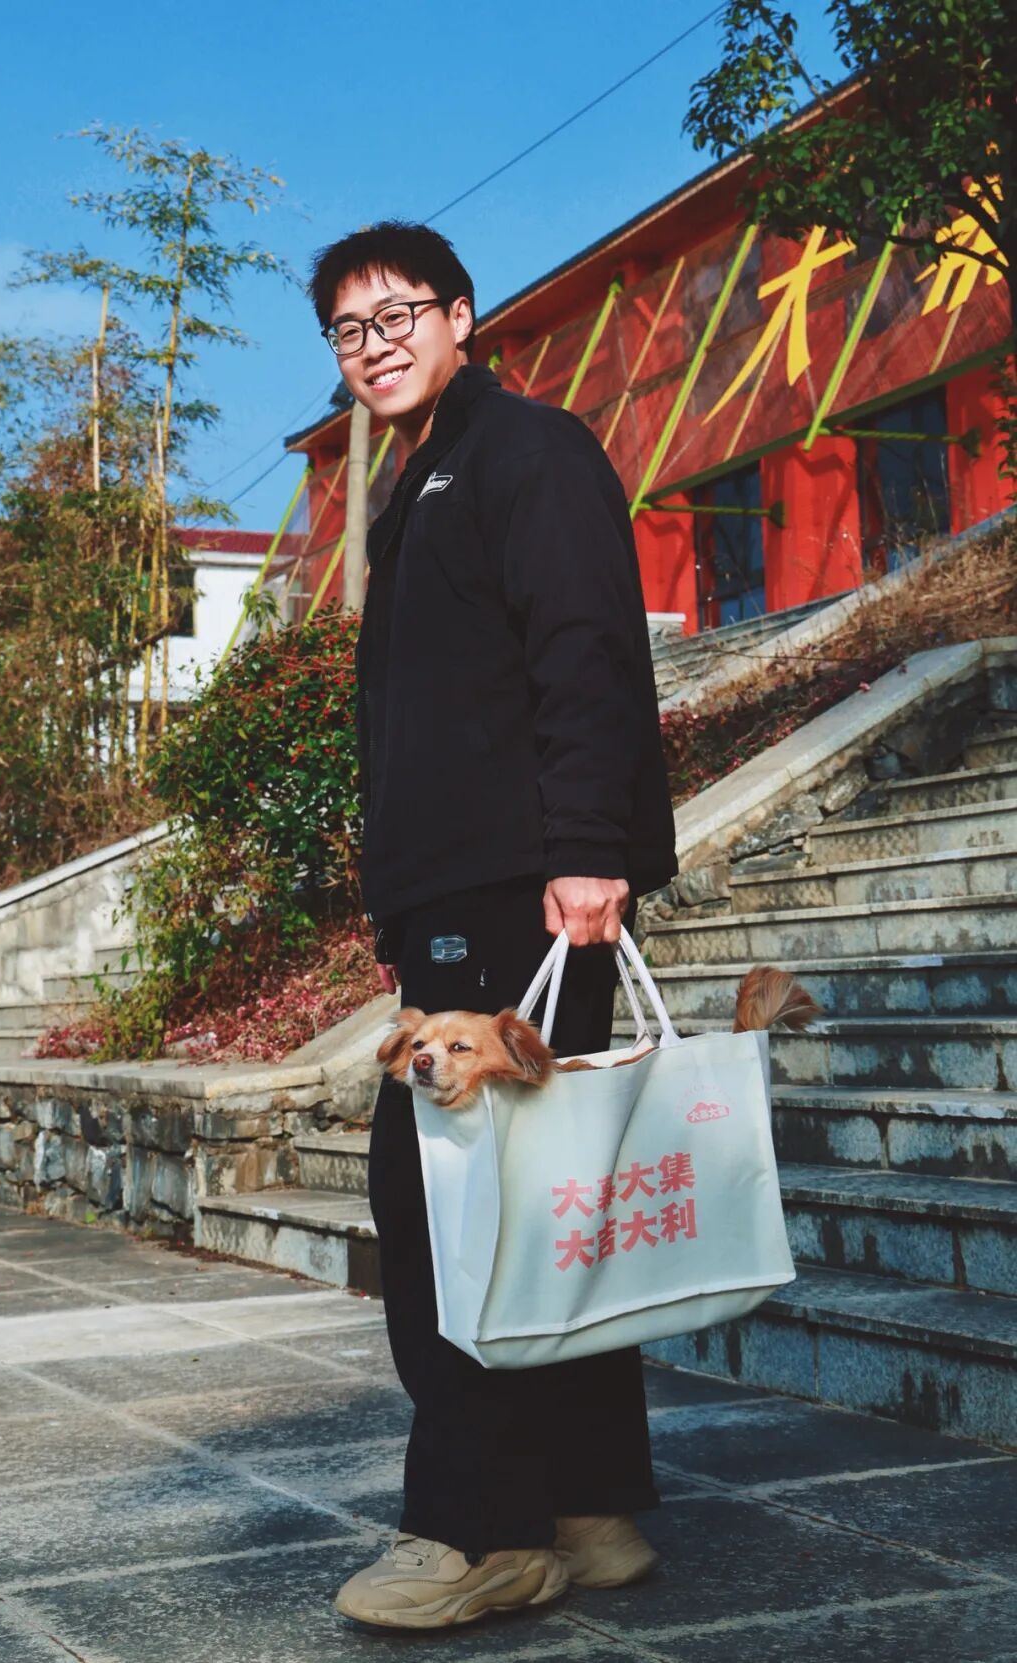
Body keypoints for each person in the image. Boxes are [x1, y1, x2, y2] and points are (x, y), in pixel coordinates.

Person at [307, 221, 678, 1631]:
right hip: (462, 898)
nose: (376, 344)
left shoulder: (527, 450)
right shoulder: (417, 481)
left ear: (462, 316)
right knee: (544, 1196)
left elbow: (588, 647)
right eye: (349, 330)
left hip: (522, 888)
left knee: (449, 1212)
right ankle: (586, 1508)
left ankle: (482, 1531)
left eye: (399, 313)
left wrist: (587, 849)